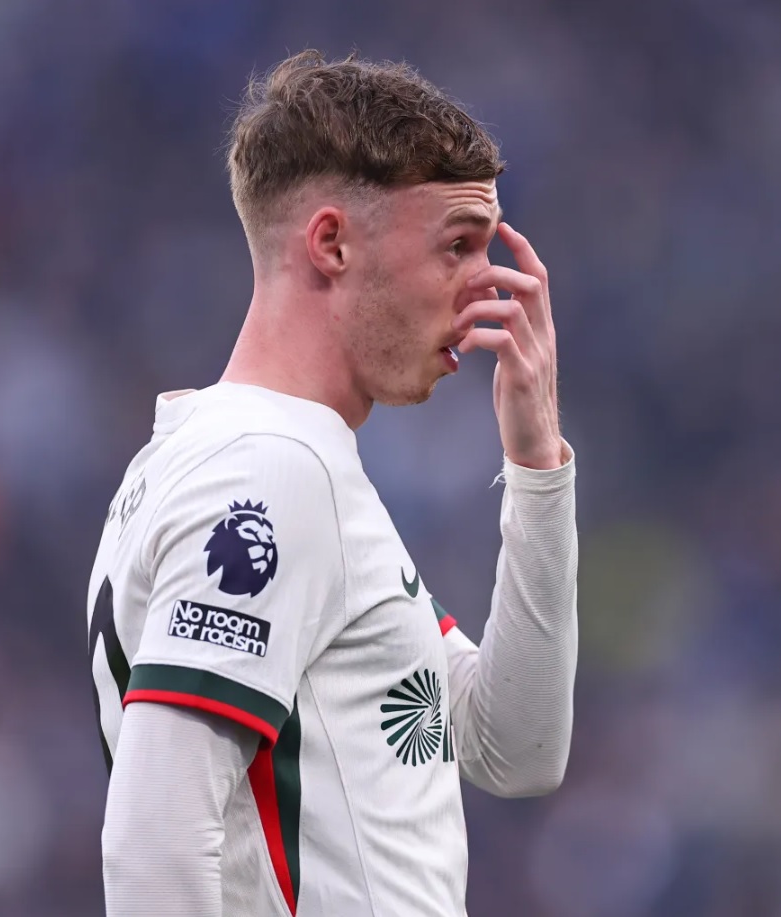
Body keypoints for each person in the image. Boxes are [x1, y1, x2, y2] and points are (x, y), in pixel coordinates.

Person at [86, 50, 578, 917]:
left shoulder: (246, 457)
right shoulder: (270, 471)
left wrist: (537, 462)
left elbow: (515, 745)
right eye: (456, 245)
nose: (485, 287)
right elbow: (153, 845)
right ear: (331, 243)